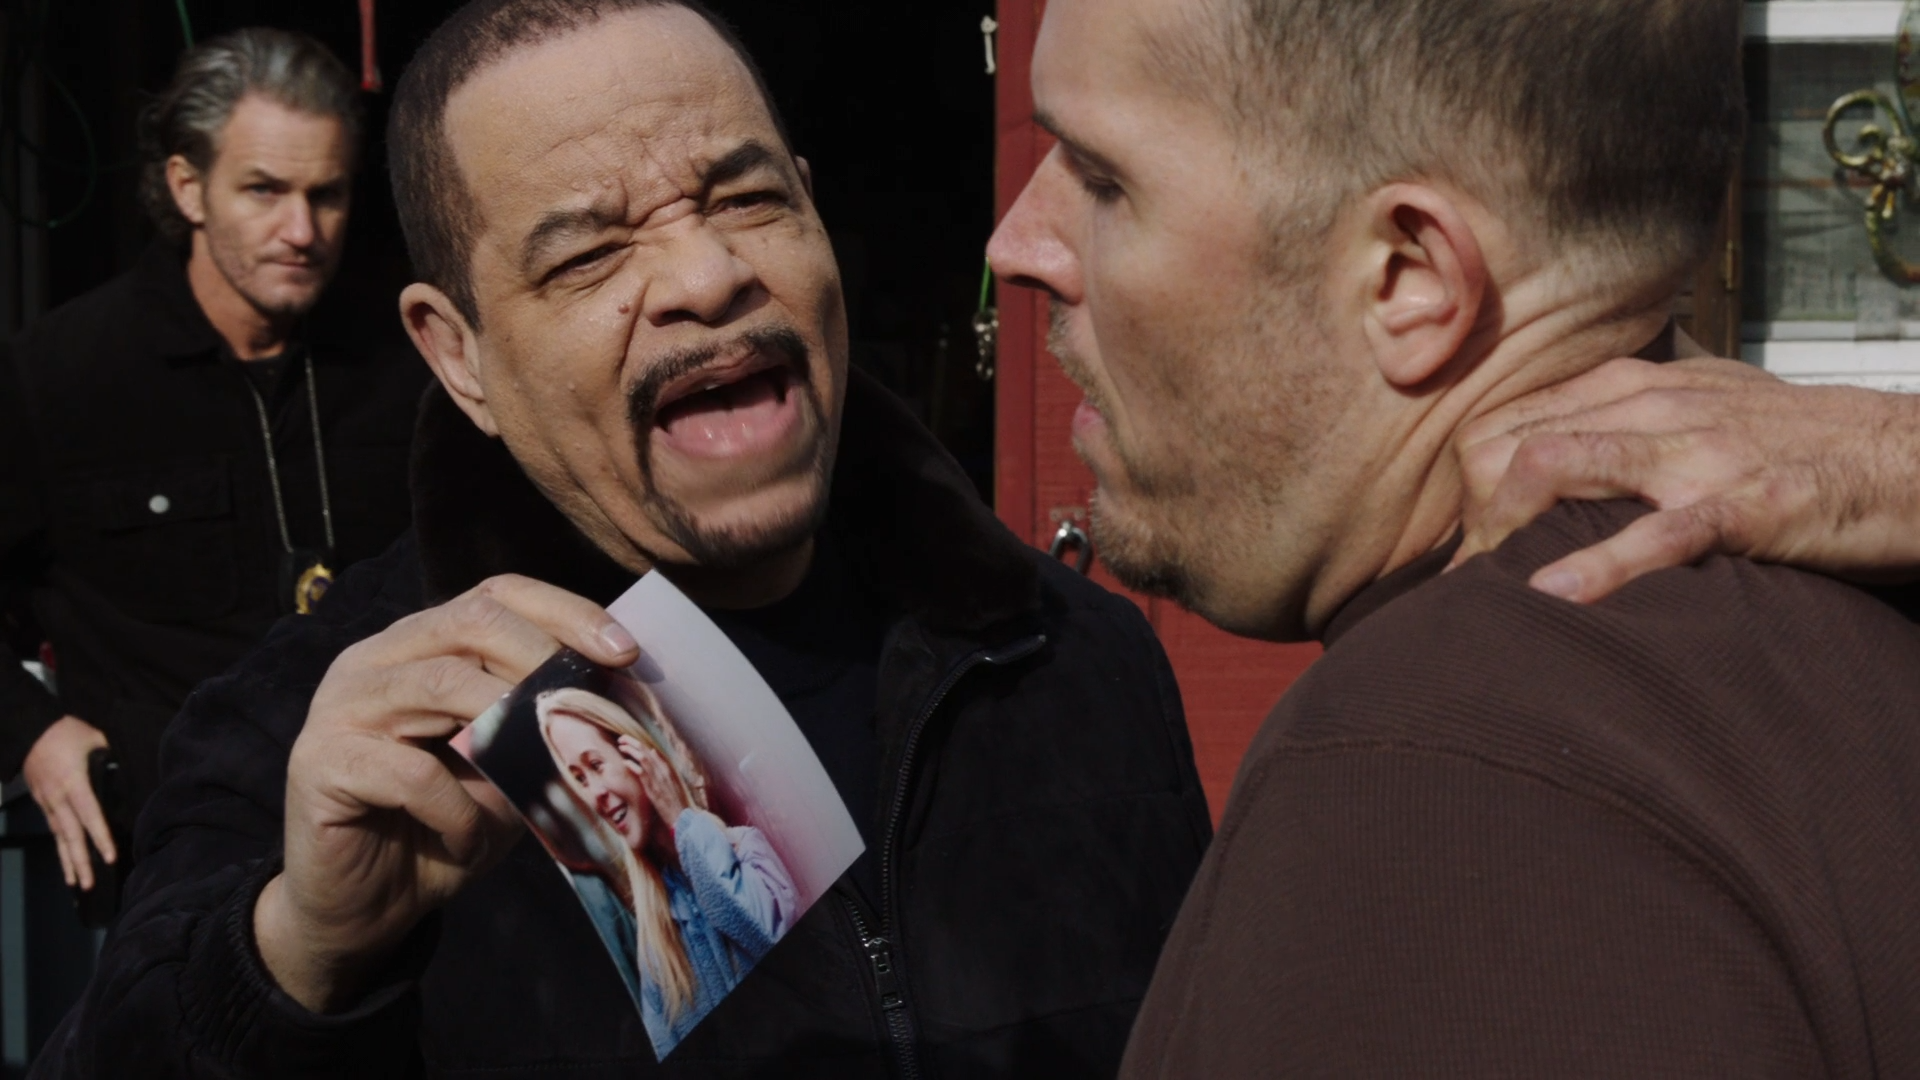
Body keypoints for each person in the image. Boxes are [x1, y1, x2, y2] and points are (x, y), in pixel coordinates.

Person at [36, 1, 1210, 1075]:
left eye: (748, 200)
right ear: (459, 355)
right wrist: (296, 957)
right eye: (588, 253)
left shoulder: (1072, 657)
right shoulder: (323, 753)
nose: (706, 275)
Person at [987, 0, 1920, 1073]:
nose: (1016, 245)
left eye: (1103, 179)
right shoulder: (1857, 625)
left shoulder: (1441, 789)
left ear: (1408, 278)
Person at [0, 28, 425, 905]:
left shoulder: (405, 362)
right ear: (186, 186)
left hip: (405, 849)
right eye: (264, 190)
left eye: (327, 195)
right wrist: (31, 734)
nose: (301, 231)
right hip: (176, 871)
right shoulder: (58, 377)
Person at [537, 686, 799, 1057]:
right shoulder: (653, 945)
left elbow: (777, 946)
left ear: (637, 756)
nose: (594, 794)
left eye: (595, 765)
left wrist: (681, 821)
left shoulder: (746, 848)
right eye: (580, 779)